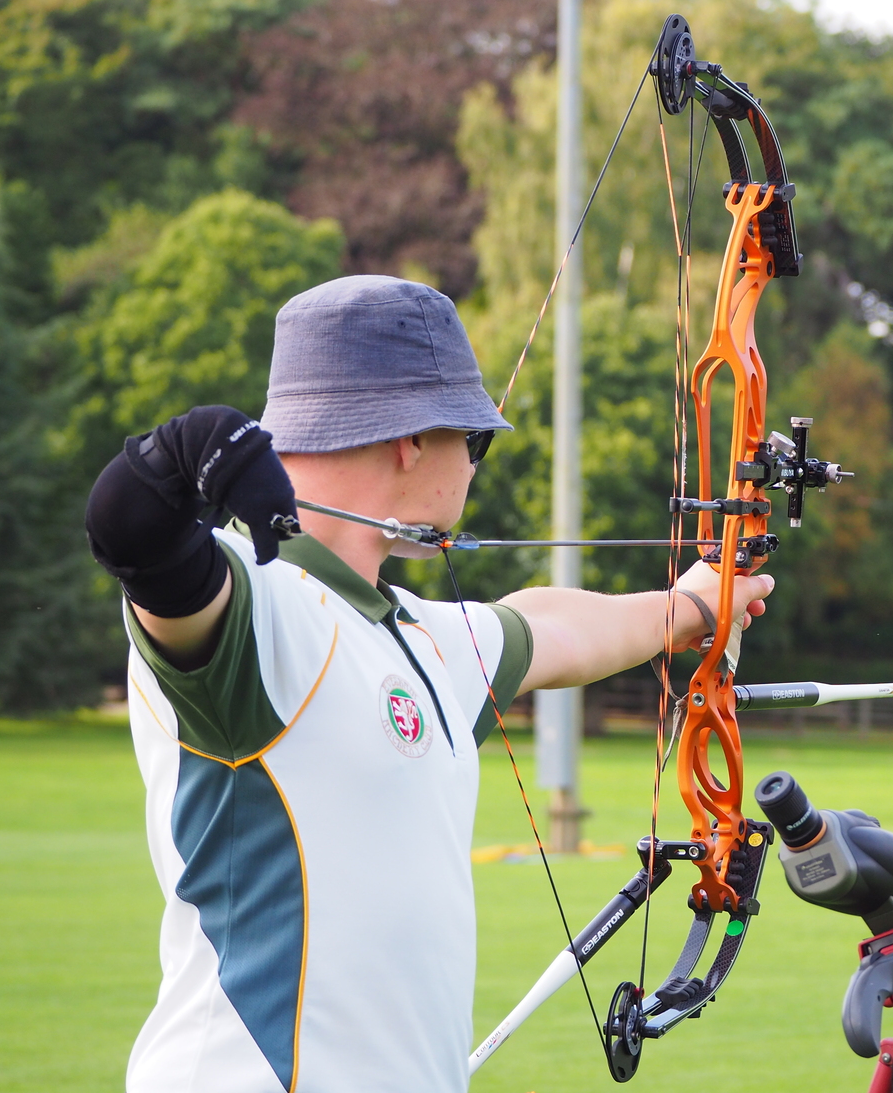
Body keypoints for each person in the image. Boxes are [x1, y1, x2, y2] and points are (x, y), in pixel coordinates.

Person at [84, 275, 774, 1093]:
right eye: (473, 442)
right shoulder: (249, 605)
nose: (474, 466)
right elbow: (133, 533)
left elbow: (552, 626)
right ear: (412, 440)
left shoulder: (419, 636)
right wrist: (189, 448)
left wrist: (696, 601)